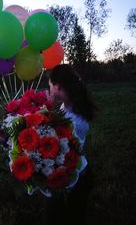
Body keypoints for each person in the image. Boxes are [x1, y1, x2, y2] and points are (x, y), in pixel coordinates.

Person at [44, 63, 98, 225]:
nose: (49, 89)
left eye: (50, 86)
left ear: (58, 86)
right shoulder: (69, 104)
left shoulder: (73, 120)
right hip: (77, 171)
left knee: (70, 217)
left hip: (77, 177)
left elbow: (57, 144)